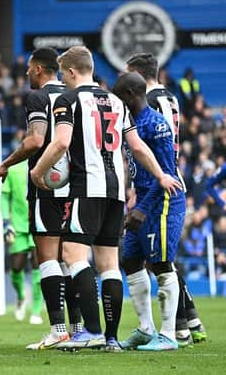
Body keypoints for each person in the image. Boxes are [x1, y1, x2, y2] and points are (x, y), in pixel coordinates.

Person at [30, 46, 181, 351]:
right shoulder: (115, 100)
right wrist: (161, 174)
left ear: (71, 72)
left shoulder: (67, 99)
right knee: (109, 263)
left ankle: (92, 330)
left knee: (73, 255)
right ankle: (111, 338)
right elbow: (137, 146)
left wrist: (38, 171)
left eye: (63, 73)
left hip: (85, 188)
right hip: (115, 190)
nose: (62, 78)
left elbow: (60, 142)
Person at [0, 47, 80, 349]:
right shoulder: (75, 95)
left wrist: (5, 164)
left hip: (47, 185)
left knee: (48, 258)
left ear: (39, 68)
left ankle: (57, 328)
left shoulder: (39, 97)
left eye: (29, 68)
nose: (27, 73)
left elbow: (35, 141)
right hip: (79, 186)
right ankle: (80, 327)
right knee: (73, 259)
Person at [127, 53, 208, 345]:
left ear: (136, 74)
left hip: (161, 184)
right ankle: (187, 321)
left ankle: (177, 328)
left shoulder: (151, 104)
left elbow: (159, 149)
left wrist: (150, 183)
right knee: (148, 257)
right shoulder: (170, 97)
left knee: (161, 259)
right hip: (158, 181)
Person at [112, 72, 184, 351]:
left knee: (162, 264)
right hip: (142, 199)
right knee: (130, 260)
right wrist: (133, 196)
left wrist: (141, 208)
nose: (118, 103)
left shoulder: (156, 124)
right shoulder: (132, 123)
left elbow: (167, 175)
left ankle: (168, 334)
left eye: (120, 98)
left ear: (130, 95)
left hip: (164, 201)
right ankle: (145, 328)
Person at [0, 159, 43, 325]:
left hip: (39, 223)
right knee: (16, 266)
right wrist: (6, 222)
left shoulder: (45, 163)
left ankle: (37, 310)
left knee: (38, 265)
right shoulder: (14, 168)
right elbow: (4, 197)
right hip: (18, 225)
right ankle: (20, 296)